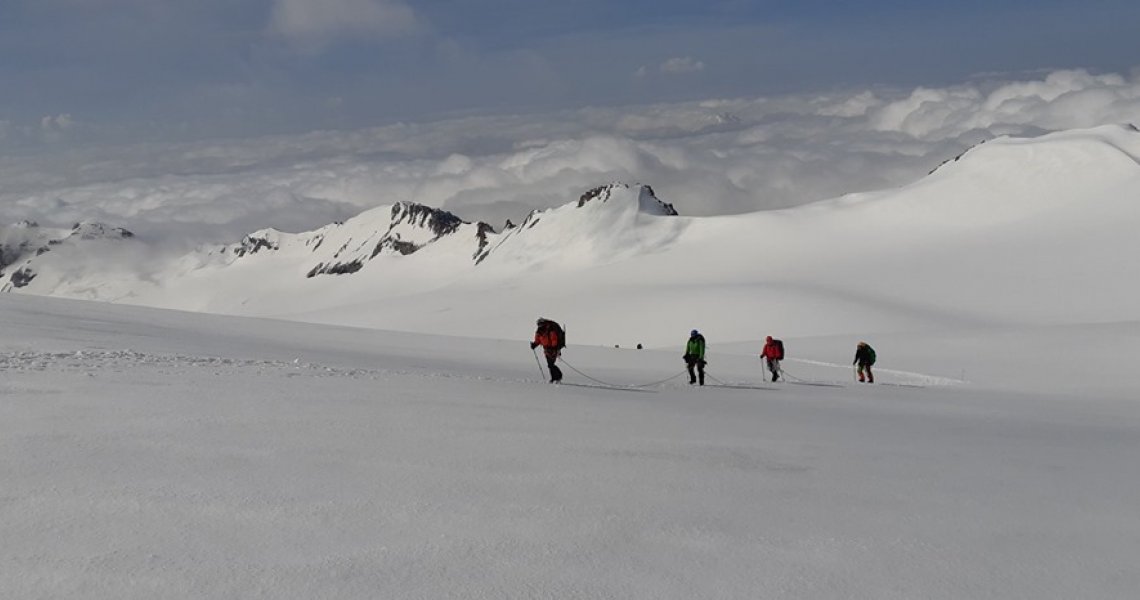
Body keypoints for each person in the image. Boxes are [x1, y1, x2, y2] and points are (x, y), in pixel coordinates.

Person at [530, 318, 565, 383]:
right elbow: (538, 340)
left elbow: (554, 339)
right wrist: (534, 345)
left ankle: (558, 376)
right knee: (550, 364)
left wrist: (554, 347)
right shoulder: (539, 331)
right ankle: (555, 378)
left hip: (553, 349)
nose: (540, 325)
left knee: (550, 364)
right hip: (546, 350)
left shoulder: (550, 330)